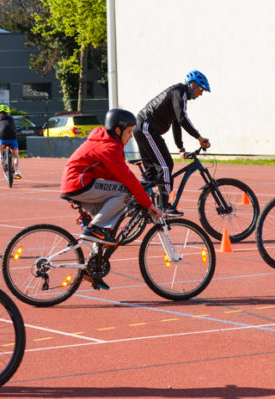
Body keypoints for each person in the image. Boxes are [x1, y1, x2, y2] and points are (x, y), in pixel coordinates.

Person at [61, 109, 163, 289]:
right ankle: (95, 229)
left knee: (109, 227)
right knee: (126, 193)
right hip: (80, 183)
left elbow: (116, 176)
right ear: (118, 130)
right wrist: (146, 202)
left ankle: (92, 268)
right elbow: (125, 178)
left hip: (82, 184)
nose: (131, 136)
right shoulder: (109, 146)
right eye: (129, 132)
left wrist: (138, 188)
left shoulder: (106, 140)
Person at [133, 70, 211, 216]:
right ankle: (163, 205)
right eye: (201, 89)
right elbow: (182, 118)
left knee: (152, 174)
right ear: (192, 85)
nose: (201, 94)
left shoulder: (180, 97)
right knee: (166, 165)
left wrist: (180, 148)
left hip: (144, 128)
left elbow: (177, 123)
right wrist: (199, 138)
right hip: (146, 128)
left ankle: (136, 203)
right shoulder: (179, 91)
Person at [0, 104, 21, 179]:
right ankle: (17, 170)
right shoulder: (11, 119)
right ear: (8, 112)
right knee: (15, 155)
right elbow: (13, 128)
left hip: (2, 138)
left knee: (0, 141)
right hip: (12, 138)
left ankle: (1, 156)